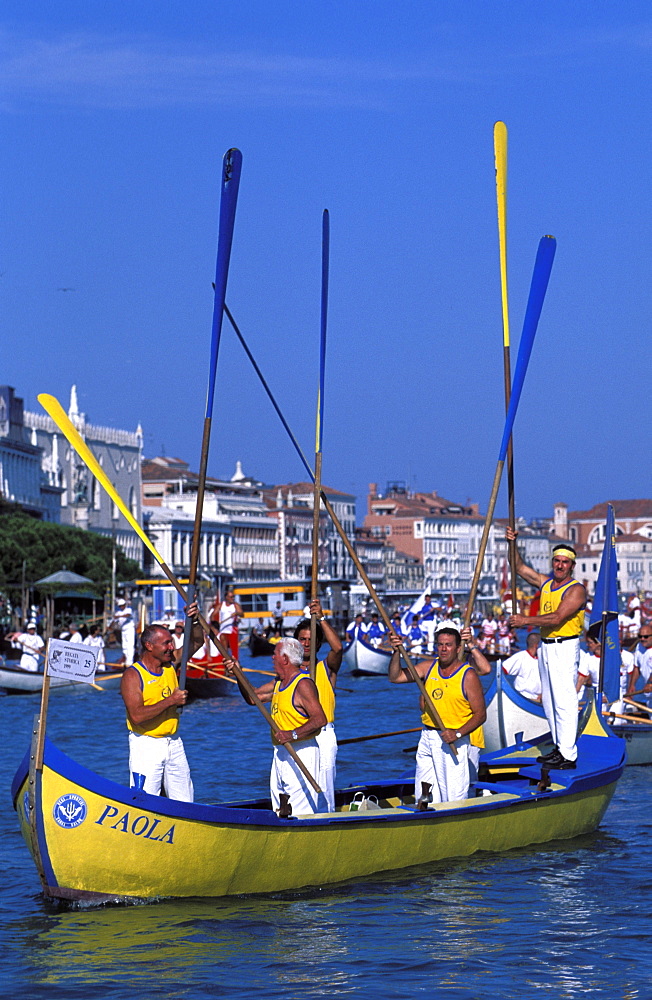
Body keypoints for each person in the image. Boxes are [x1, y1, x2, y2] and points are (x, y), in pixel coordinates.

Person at [507, 526, 586, 770]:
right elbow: (518, 568)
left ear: (571, 566)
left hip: (564, 646)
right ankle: (559, 747)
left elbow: (556, 618)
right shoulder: (546, 583)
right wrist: (513, 543)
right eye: (557, 561)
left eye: (565, 562)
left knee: (564, 700)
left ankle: (569, 755)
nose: (560, 565)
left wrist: (525, 620)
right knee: (550, 700)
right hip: (546, 646)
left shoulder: (576, 590)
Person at [228, 637, 327, 815]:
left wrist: (293, 734)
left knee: (301, 811)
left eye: (275, 655)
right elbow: (253, 698)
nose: (272, 658)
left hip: (302, 752)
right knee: (279, 809)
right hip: (280, 753)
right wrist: (238, 673)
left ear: (285, 659)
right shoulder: (278, 683)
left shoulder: (303, 684)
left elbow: (320, 720)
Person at [388, 624, 486, 804]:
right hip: (427, 736)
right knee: (424, 792)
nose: (443, 649)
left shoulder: (468, 675)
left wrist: (456, 734)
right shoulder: (428, 667)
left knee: (454, 795)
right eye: (440, 644)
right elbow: (396, 677)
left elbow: (480, 715)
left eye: (448, 645)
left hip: (453, 739)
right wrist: (397, 653)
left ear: (458, 648)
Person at [120, 610, 201, 801]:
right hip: (146, 744)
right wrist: (171, 701)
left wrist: (195, 620)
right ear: (149, 646)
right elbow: (137, 716)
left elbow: (197, 642)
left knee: (185, 801)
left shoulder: (171, 663)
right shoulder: (133, 676)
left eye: (172, 642)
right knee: (145, 801)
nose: (171, 647)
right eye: (166, 643)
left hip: (174, 742)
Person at [501, 633, 542, 702]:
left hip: (539, 699)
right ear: (536, 645)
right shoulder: (520, 657)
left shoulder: (544, 659)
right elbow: (502, 670)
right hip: (521, 697)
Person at [626, 625, 652, 700]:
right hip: (648, 691)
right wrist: (632, 685)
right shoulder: (639, 646)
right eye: (640, 636)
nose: (642, 639)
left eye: (646, 636)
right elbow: (636, 667)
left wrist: (649, 683)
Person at [217, 589, 242, 660]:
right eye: (231, 597)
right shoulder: (221, 605)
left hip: (232, 630)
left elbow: (242, 613)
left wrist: (237, 613)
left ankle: (235, 662)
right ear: (226, 597)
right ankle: (224, 662)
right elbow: (213, 615)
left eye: (233, 597)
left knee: (234, 649)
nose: (232, 598)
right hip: (223, 630)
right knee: (223, 649)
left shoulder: (235, 605)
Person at [112, 598, 136, 666]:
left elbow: (127, 615)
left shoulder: (128, 609)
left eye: (122, 605)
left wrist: (118, 616)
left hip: (130, 629)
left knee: (130, 645)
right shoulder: (118, 612)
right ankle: (126, 660)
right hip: (123, 630)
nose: (121, 607)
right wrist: (110, 627)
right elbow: (114, 621)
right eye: (120, 606)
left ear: (125, 605)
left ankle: (130, 662)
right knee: (124, 646)